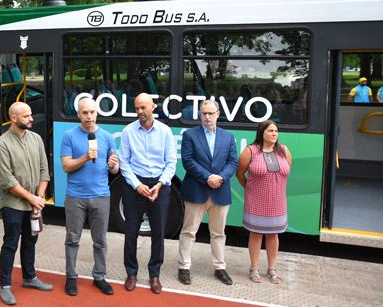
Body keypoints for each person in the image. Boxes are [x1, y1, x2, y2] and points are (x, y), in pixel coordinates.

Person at [0, 101, 53, 305]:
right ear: (14, 118)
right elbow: (7, 182)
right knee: (10, 244)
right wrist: (32, 198)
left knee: (30, 242)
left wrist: (39, 198)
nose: (31, 119)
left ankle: (29, 278)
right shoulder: (2, 144)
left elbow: (45, 171)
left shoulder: (36, 139)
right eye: (26, 116)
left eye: (31, 115)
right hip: (13, 205)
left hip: (34, 203)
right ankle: (5, 287)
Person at [118, 93, 177, 294]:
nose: (140, 112)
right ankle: (131, 273)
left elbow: (171, 163)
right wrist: (137, 185)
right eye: (137, 108)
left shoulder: (166, 131)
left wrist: (159, 185)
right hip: (135, 185)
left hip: (159, 185)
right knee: (131, 232)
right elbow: (124, 163)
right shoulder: (128, 131)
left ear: (153, 106)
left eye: (143, 107)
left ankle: (154, 274)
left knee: (158, 232)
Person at [60, 98, 119, 296]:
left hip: (101, 196)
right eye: (85, 113)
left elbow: (114, 169)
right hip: (75, 196)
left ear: (97, 113)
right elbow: (66, 166)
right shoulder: (69, 136)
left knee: (100, 240)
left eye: (92, 112)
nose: (89, 116)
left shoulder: (108, 137)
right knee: (72, 239)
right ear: (78, 114)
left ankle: (100, 277)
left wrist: (113, 165)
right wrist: (86, 156)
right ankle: (71, 277)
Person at [177, 100, 239, 286]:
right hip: (196, 191)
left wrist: (219, 178)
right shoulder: (190, 135)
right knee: (189, 231)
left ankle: (220, 268)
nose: (207, 117)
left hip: (220, 192)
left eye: (211, 113)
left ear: (218, 114)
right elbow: (187, 161)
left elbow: (233, 162)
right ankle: (184, 267)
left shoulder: (228, 137)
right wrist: (208, 178)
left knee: (218, 233)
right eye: (204, 113)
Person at [235, 120, 292, 285]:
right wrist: (250, 190)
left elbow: (285, 173)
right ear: (262, 133)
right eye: (270, 131)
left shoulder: (284, 151)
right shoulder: (250, 151)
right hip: (256, 201)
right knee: (256, 233)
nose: (274, 134)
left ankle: (272, 268)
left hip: (278, 201)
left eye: (276, 131)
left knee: (274, 234)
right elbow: (240, 173)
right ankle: (254, 268)